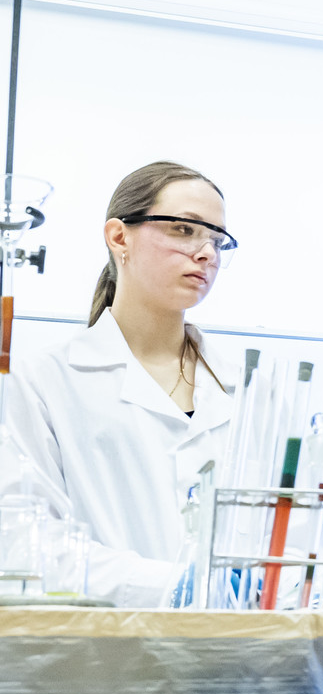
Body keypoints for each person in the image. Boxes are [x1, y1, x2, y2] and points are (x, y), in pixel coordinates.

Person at [1, 162, 238, 607]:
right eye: (185, 229)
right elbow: (23, 542)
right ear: (118, 236)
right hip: (104, 644)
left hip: (239, 643)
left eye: (218, 239)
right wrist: (170, 586)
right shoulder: (42, 382)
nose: (207, 252)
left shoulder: (247, 390)